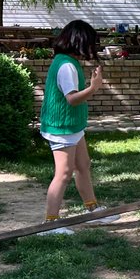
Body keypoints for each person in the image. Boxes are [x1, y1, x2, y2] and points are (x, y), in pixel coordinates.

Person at [38, 20, 118, 234]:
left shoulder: (65, 62)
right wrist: (94, 88)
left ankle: (93, 211)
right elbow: (72, 99)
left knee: (83, 165)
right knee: (63, 174)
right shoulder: (66, 66)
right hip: (62, 128)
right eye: (91, 44)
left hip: (71, 126)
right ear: (79, 43)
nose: (93, 49)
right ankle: (50, 223)